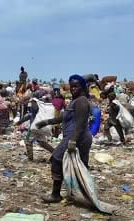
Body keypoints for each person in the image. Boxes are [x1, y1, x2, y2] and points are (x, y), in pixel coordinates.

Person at [35, 74, 92, 203]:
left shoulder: (82, 101)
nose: (73, 88)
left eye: (76, 86)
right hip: (77, 136)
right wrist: (46, 122)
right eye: (71, 86)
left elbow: (81, 122)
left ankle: (55, 194)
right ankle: (83, 194)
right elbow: (63, 117)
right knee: (81, 166)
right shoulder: (75, 101)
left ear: (82, 87)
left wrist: (72, 140)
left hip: (77, 136)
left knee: (56, 159)